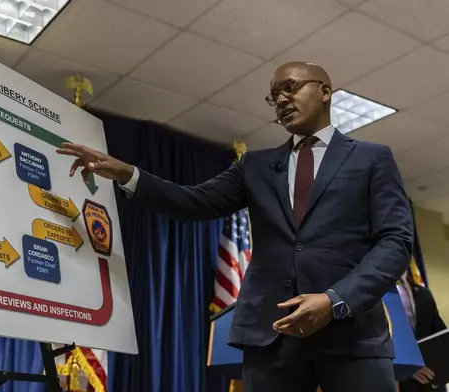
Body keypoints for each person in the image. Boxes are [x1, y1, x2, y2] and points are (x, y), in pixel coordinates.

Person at [57, 62, 413, 392]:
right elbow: (194, 202)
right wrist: (129, 174)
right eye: (275, 96)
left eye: (290, 87)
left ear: (325, 91)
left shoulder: (372, 158)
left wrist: (335, 300)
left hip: (351, 335)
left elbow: (396, 242)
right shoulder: (255, 166)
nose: (282, 100)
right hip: (272, 338)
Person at [398, 273, 446, 392]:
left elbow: (439, 333)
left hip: (428, 381)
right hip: (392, 381)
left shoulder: (423, 293)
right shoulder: (372, 292)